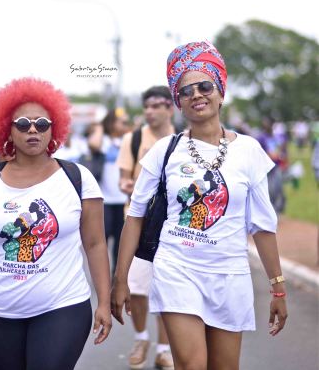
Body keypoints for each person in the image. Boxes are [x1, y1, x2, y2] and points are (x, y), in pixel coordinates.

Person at [111, 41, 288, 370]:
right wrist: (120, 278)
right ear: (179, 102)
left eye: (205, 86)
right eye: (186, 90)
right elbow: (134, 216)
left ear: (220, 92)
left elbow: (263, 226)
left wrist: (278, 288)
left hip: (229, 276)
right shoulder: (165, 150)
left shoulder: (249, 151)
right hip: (176, 269)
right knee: (192, 365)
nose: (196, 95)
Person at [0, 77, 112, 370]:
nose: (33, 129)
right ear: (7, 128)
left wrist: (103, 302)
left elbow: (95, 244)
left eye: (42, 123)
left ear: (53, 129)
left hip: (62, 305)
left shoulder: (78, 179)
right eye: (22, 124)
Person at [116, 86, 175, 369]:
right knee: (137, 288)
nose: (150, 111)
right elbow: (123, 179)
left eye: (156, 105)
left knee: (166, 290)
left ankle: (164, 349)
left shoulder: (182, 140)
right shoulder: (134, 138)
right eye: (146, 106)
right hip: (140, 223)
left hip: (173, 226)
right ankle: (141, 337)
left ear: (170, 108)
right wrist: (128, 186)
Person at [86, 108, 130, 272]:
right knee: (101, 243)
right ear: (112, 124)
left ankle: (115, 280)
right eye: (122, 122)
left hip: (123, 202)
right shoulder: (103, 140)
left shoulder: (128, 140)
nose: (126, 125)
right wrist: (99, 126)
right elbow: (93, 143)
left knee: (120, 246)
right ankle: (101, 275)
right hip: (104, 202)